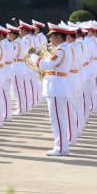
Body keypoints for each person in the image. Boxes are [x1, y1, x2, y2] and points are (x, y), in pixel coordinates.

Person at [27, 23, 72, 156]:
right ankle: (61, 147)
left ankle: (61, 148)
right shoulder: (61, 49)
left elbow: (46, 65)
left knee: (57, 120)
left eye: (52, 37)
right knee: (58, 119)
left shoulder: (60, 51)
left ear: (59, 37)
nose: (50, 40)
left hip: (56, 88)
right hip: (56, 87)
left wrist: (33, 55)